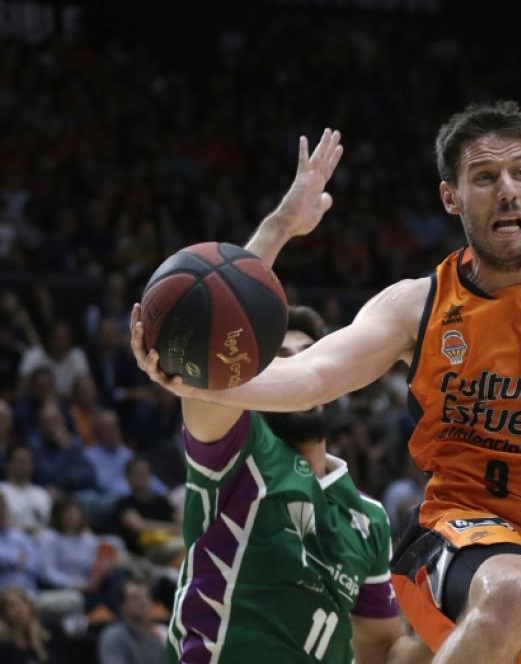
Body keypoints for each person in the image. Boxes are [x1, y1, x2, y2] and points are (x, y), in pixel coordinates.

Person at [132, 103, 521, 663]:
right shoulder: (418, 306)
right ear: (451, 198)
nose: (506, 191)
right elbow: (310, 375)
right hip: (462, 535)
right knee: (516, 587)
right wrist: (195, 380)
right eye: (484, 178)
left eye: (520, 173)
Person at [139, 130, 404, 663]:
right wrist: (280, 226)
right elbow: (215, 334)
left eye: (306, 358)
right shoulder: (236, 448)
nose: (295, 368)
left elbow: (382, 646)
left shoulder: (370, 517)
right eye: (279, 360)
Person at [96, 579, 166, 664]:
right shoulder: (114, 636)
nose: (143, 602)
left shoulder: (160, 636)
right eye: (135, 598)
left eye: (147, 596)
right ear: (123, 606)